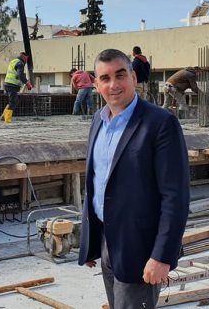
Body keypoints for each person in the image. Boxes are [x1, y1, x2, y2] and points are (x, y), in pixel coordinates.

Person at [78, 49, 190, 309]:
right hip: (106, 239)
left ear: (134, 78)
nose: (113, 85)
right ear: (96, 85)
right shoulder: (98, 121)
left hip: (141, 247)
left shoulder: (160, 123)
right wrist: (90, 242)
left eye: (120, 75)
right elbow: (97, 183)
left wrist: (162, 256)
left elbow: (175, 196)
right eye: (105, 78)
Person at [2, 52, 32, 123]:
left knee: (13, 101)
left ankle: (4, 116)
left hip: (7, 84)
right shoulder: (20, 63)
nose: (26, 60)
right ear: (23, 57)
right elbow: (20, 74)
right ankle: (7, 120)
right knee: (13, 102)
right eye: (26, 58)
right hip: (11, 85)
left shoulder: (14, 61)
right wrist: (27, 83)